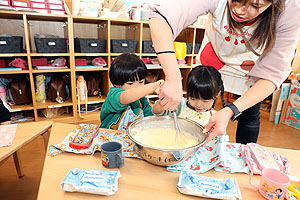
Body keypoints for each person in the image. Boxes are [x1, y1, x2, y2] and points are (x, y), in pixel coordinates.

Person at [149, 0, 300, 144]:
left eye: (255, 5)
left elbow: (273, 73)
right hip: (213, 56)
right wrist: (173, 77)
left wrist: (231, 110)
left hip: (251, 67)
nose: (239, 10)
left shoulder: (291, 9)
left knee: (249, 115)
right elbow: (161, 18)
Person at [100, 53, 163, 131]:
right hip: (109, 137)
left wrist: (162, 104)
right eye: (130, 83)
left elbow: (150, 113)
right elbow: (125, 97)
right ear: (116, 84)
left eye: (141, 81)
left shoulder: (141, 98)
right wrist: (152, 87)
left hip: (132, 135)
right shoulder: (114, 94)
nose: (137, 87)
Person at [153, 65, 225, 128]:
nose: (198, 105)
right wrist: (162, 103)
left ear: (217, 94)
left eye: (205, 101)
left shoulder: (215, 117)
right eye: (193, 99)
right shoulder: (180, 104)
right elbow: (155, 111)